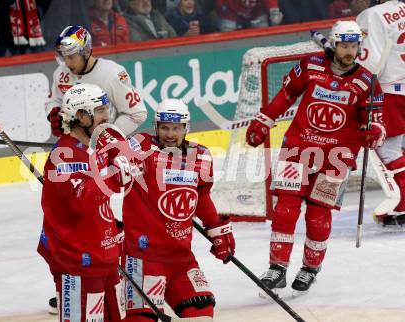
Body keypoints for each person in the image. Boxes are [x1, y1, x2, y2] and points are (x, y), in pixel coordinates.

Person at [245, 20, 386, 295]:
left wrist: (374, 133)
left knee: (318, 216)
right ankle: (277, 268)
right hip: (297, 149)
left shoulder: (367, 82)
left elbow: (378, 124)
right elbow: (287, 94)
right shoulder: (310, 65)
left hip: (336, 158)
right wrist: (265, 119)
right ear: (334, 44)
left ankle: (310, 268)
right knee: (285, 209)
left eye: (354, 46)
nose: (349, 51)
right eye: (344, 45)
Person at [121, 98, 236, 321]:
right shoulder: (142, 147)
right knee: (143, 318)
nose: (170, 134)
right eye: (164, 127)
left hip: (181, 258)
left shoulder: (200, 156)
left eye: (176, 128)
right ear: (156, 128)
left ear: (186, 128)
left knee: (202, 311)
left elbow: (200, 196)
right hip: (144, 257)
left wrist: (216, 228)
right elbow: (115, 159)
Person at [38, 83, 132, 321]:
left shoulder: (98, 141)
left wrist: (121, 159)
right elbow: (82, 201)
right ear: (81, 116)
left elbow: (120, 157)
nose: (107, 116)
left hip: (104, 254)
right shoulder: (64, 157)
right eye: (100, 111)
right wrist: (114, 173)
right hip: (77, 261)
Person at [46, 25, 147, 138]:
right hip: (75, 145)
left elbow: (137, 114)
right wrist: (56, 117)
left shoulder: (112, 74)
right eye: (64, 57)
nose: (67, 63)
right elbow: (53, 101)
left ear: (87, 52)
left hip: (106, 148)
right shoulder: (61, 73)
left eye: (71, 57)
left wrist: (108, 136)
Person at [357, 0, 405, 226]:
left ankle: (404, 203)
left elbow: (369, 63)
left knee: (389, 151)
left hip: (390, 90)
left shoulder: (372, 15)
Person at [215, 0, 283, 32]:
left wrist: (274, 17)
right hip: (231, 15)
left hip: (257, 14)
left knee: (263, 35)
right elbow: (221, 10)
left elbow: (272, 6)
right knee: (227, 34)